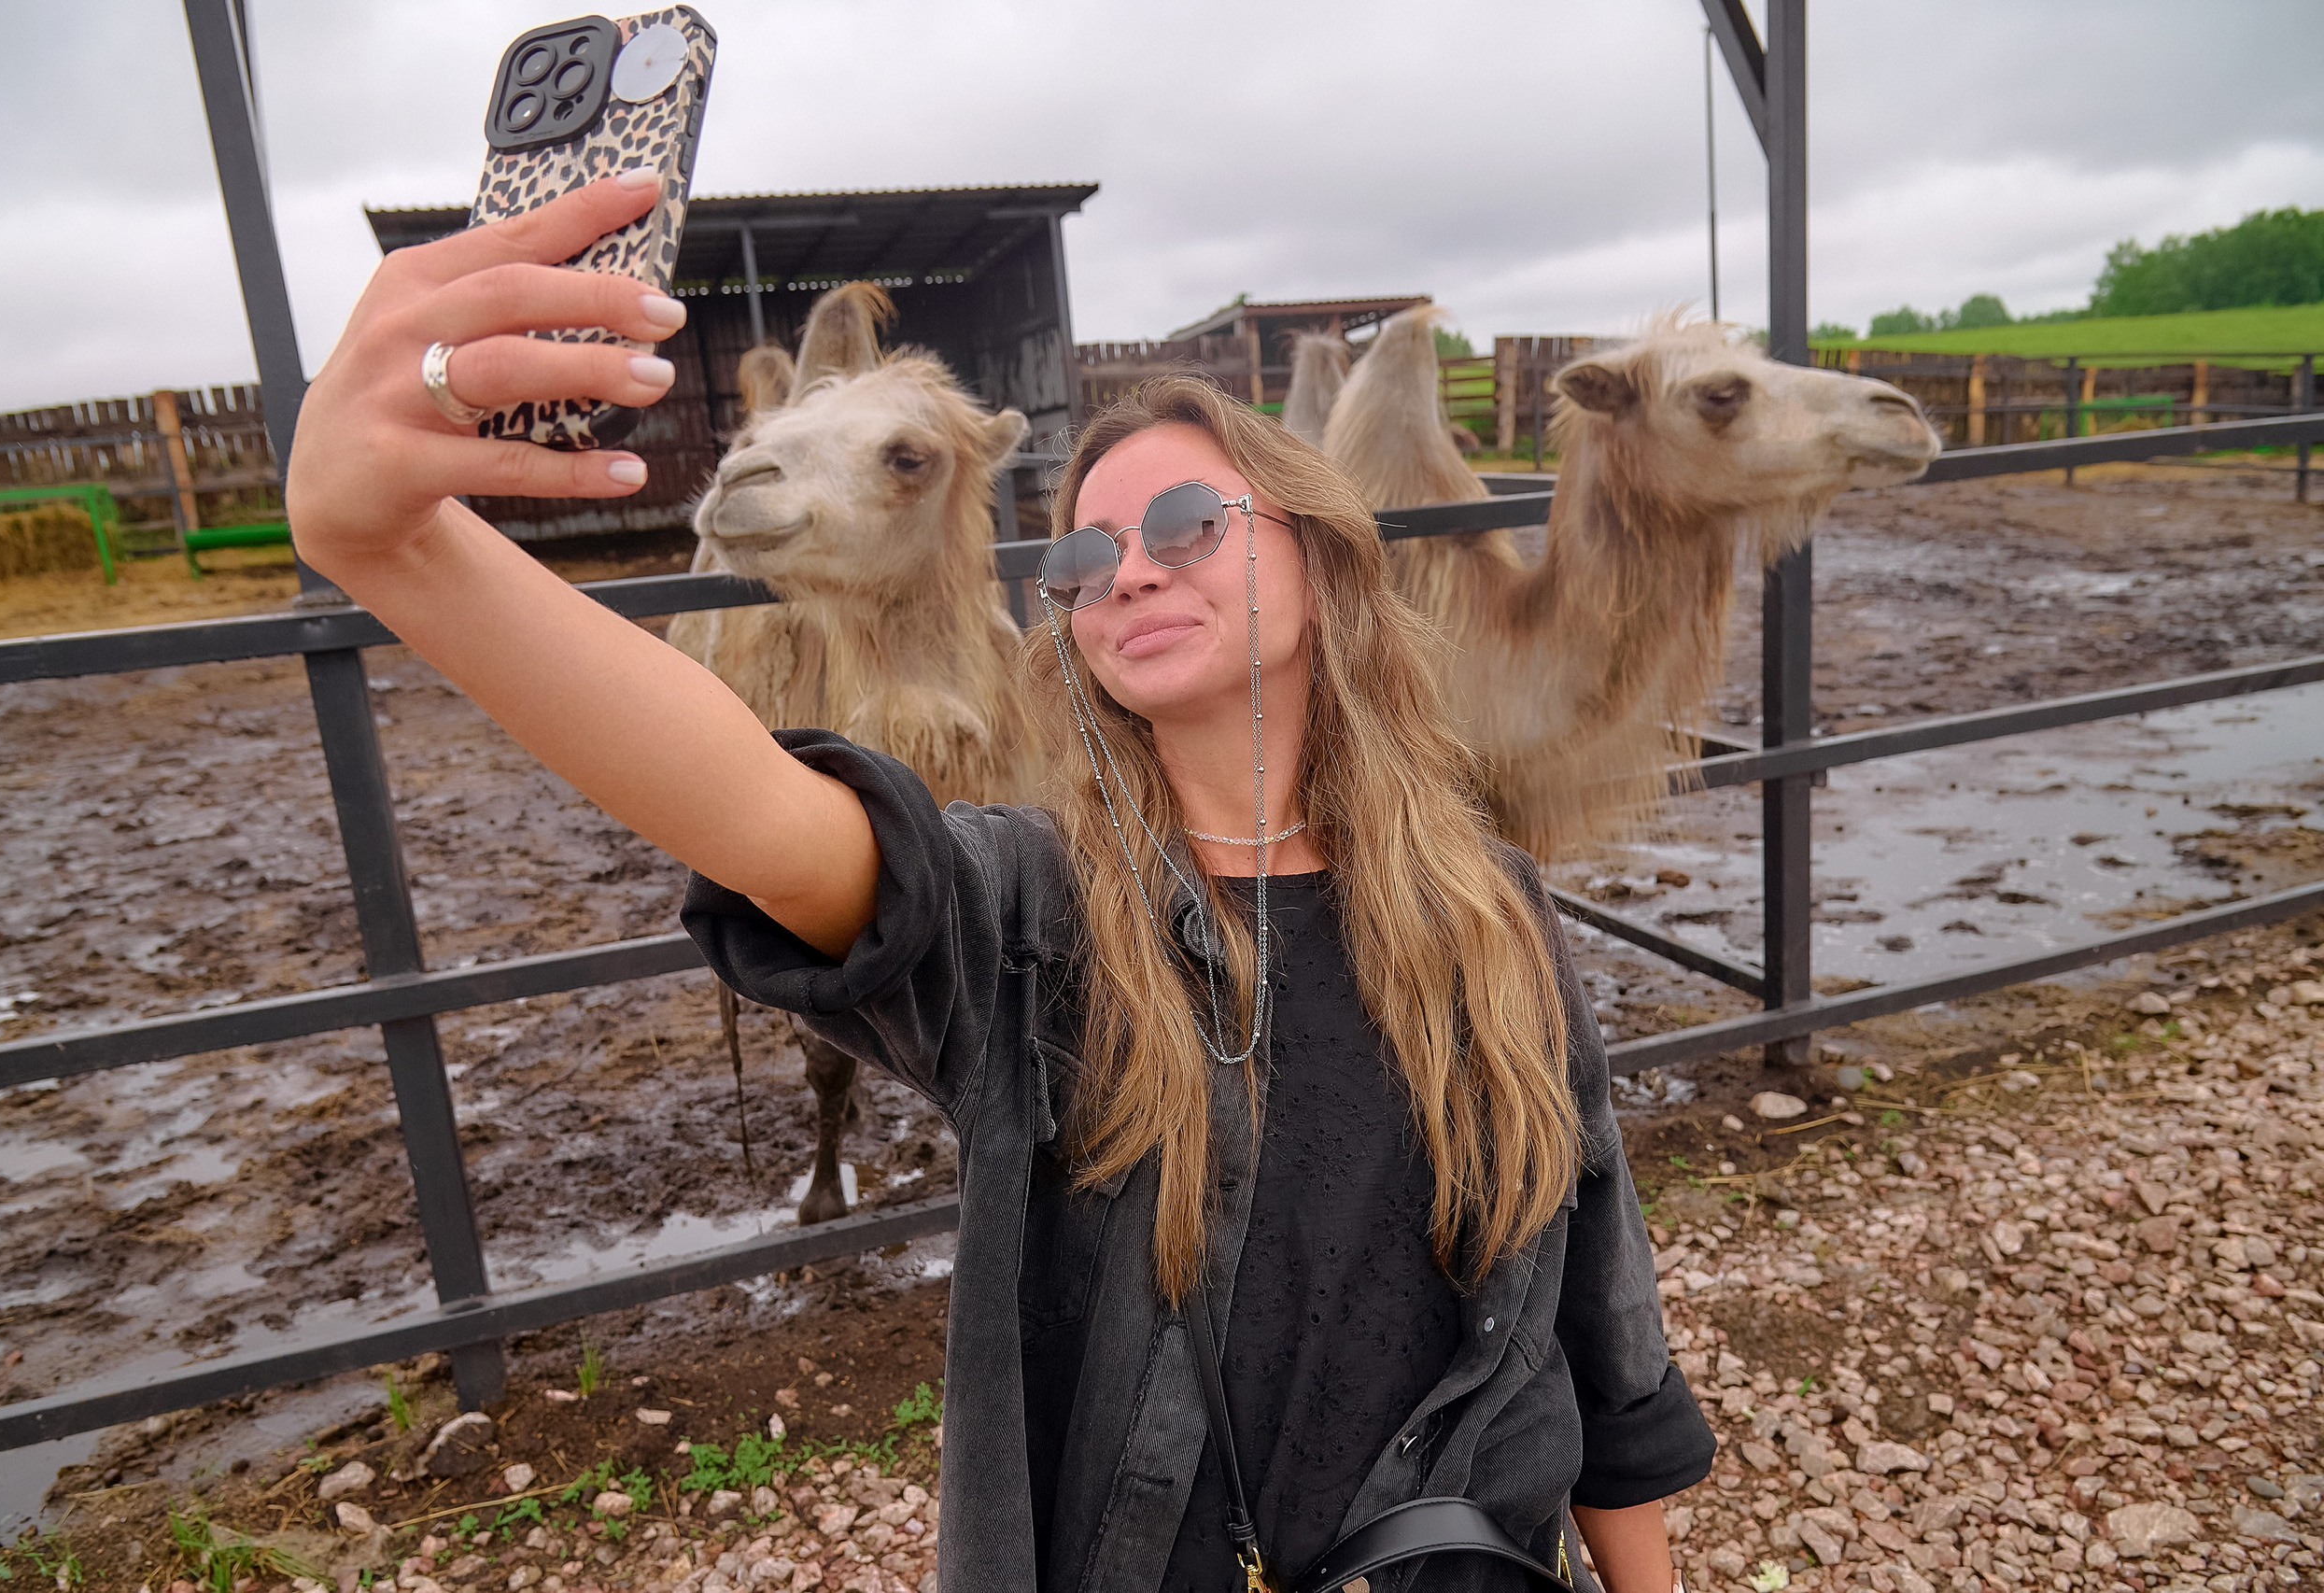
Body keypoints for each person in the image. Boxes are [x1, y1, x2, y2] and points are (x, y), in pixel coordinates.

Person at [289, 170, 1713, 1593]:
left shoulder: (1494, 908)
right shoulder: (1033, 923)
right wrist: (394, 547)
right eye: (1089, 555)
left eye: (1188, 530)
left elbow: (1599, 1310)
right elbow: (751, 804)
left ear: (1325, 565)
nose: (1130, 573)